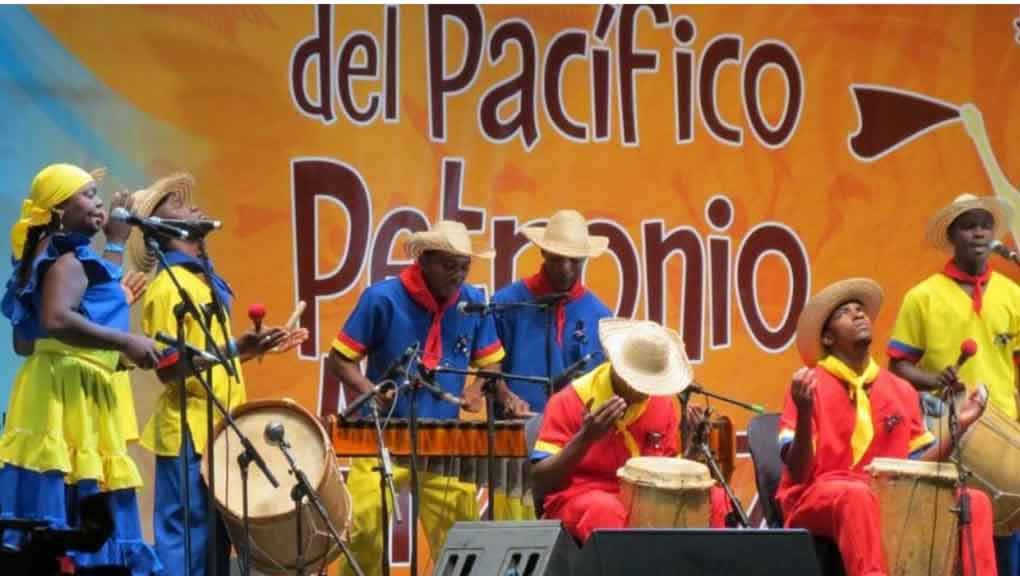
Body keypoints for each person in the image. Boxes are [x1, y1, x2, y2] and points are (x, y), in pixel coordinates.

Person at [126, 173, 306, 576]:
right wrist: (236, 348)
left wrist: (255, 348)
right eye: (177, 205)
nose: (193, 207)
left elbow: (207, 359)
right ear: (161, 227)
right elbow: (170, 368)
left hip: (218, 427)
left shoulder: (197, 280)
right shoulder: (168, 288)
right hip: (189, 432)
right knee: (188, 543)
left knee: (215, 546)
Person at [0, 163, 162, 574]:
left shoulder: (44, 256)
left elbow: (27, 341)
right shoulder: (66, 259)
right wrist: (126, 341)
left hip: (50, 388)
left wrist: (115, 243)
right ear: (59, 209)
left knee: (58, 503)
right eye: (88, 195)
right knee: (83, 513)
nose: (99, 203)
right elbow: (57, 319)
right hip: (69, 390)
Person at [778, 277, 998, 576]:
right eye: (844, 313)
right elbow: (798, 471)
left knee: (974, 501)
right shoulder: (809, 384)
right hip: (816, 496)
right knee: (856, 495)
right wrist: (804, 413)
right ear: (827, 338)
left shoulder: (900, 389)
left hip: (890, 494)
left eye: (860, 309)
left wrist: (961, 424)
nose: (858, 314)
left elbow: (917, 469)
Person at [325, 220, 506, 575]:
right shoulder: (382, 298)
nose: (458, 275)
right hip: (383, 435)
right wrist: (369, 390)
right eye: (449, 265)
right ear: (423, 260)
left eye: (464, 266)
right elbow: (339, 359)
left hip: (442, 438)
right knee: (362, 529)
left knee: (463, 540)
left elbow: (491, 363)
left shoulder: (472, 303)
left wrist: (474, 390)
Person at [887, 193, 1020, 574]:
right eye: (968, 226)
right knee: (953, 536)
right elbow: (897, 367)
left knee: (1007, 534)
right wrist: (933, 379)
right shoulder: (923, 297)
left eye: (985, 225)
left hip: (1004, 429)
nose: (978, 233)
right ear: (951, 236)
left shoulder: (1013, 294)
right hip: (946, 428)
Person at [530, 318, 730, 544]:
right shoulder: (570, 401)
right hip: (581, 498)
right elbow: (540, 482)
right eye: (640, 382)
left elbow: (668, 479)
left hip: (645, 498)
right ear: (616, 366)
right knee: (606, 510)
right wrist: (585, 438)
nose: (648, 391)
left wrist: (693, 451)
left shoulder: (661, 404)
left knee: (714, 499)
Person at [491, 209, 612, 415]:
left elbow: (604, 383)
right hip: (516, 427)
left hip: (577, 429)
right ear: (543, 252)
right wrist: (506, 397)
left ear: (585, 258)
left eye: (574, 261)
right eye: (557, 259)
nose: (566, 269)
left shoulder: (601, 316)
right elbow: (488, 367)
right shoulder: (505, 304)